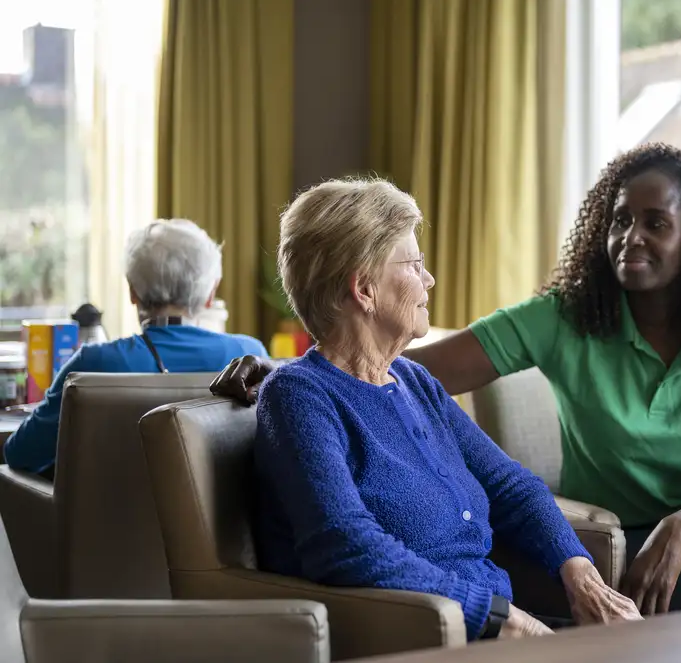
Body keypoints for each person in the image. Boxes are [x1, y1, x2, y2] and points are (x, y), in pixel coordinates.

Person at [213, 143, 681, 616]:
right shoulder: (565, 317)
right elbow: (364, 376)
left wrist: (661, 533)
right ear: (365, 288)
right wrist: (287, 373)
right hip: (586, 540)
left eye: (656, 223)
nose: (632, 237)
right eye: (621, 219)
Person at [250, 178, 640, 642]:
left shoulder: (413, 381)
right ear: (364, 289)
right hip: (428, 636)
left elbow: (511, 486)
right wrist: (498, 617)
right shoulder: (299, 397)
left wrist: (579, 573)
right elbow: (344, 546)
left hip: (495, 625)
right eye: (414, 264)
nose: (429, 279)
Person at [4, 219, 268, 475]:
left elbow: (19, 454)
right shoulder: (250, 357)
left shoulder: (92, 364)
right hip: (218, 519)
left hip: (103, 519)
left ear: (132, 291)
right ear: (211, 295)